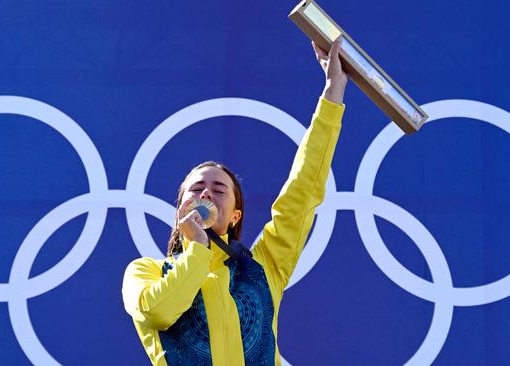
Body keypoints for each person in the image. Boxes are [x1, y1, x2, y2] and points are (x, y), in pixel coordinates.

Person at [122, 37, 348, 365]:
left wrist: (333, 91)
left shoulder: (264, 267)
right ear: (180, 210)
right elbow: (158, 312)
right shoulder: (146, 271)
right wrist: (197, 248)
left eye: (219, 189)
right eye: (197, 188)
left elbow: (303, 189)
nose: (206, 193)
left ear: (235, 215)